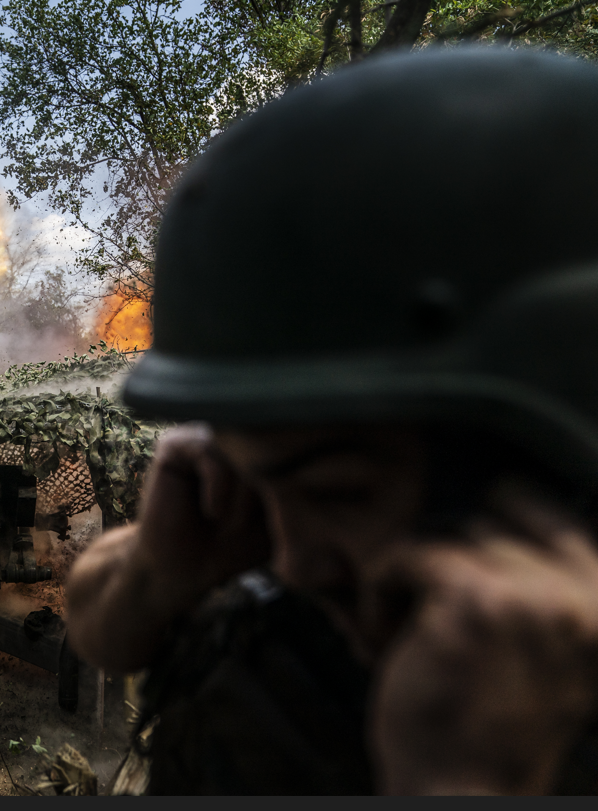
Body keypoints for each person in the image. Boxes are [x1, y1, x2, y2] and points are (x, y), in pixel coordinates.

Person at [65, 46, 598, 795]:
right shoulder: (321, 576)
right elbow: (99, 620)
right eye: (256, 482)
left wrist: (465, 779)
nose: (291, 562)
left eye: (339, 491)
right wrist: (155, 569)